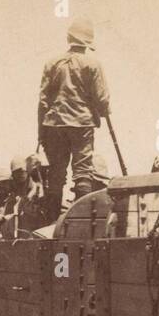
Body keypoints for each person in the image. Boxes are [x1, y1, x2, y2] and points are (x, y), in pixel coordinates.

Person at [38, 17, 110, 222]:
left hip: (53, 124)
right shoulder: (93, 64)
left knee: (56, 174)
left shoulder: (52, 63)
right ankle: (81, 221)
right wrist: (104, 110)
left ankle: (52, 221)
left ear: (69, 38)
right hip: (82, 124)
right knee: (83, 171)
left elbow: (43, 101)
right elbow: (102, 99)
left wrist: (40, 132)